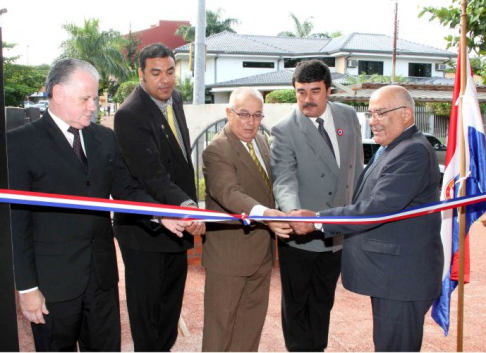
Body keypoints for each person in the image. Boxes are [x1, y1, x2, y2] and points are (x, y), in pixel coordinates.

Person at [7, 58, 187, 351]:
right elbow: (17, 222)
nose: (94, 106)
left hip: (101, 278)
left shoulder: (105, 138)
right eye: (86, 98)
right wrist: (27, 288)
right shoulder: (19, 144)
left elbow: (126, 190)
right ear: (58, 93)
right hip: (54, 284)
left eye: (95, 97)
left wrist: (160, 214)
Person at [291, 85, 444, 352]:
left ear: (406, 114)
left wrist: (317, 220)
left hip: (401, 280)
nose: (372, 121)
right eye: (370, 114)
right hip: (393, 278)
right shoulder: (393, 147)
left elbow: (378, 207)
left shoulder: (413, 151)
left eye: (380, 113)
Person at [113, 43, 205, 352]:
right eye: (155, 73)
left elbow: (179, 159)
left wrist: (185, 208)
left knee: (169, 307)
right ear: (140, 74)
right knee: (147, 314)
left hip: (175, 225)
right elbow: (152, 175)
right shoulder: (130, 115)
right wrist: (189, 206)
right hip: (145, 230)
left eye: (169, 72)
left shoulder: (174, 98)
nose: (164, 80)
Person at [270, 59, 363, 351]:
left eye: (314, 91)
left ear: (328, 90)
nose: (307, 99)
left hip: (335, 232)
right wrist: (294, 213)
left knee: (323, 302)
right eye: (300, 92)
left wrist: (356, 216)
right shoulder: (285, 129)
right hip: (300, 234)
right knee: (296, 304)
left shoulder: (349, 117)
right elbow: (284, 178)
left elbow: (356, 169)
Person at [201, 87, 292, 352]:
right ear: (229, 113)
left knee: (250, 328)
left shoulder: (261, 141)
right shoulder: (216, 149)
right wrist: (267, 215)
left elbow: (269, 188)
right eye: (243, 114)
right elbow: (229, 192)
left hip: (261, 254)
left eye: (257, 115)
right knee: (220, 331)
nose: (251, 122)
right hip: (228, 258)